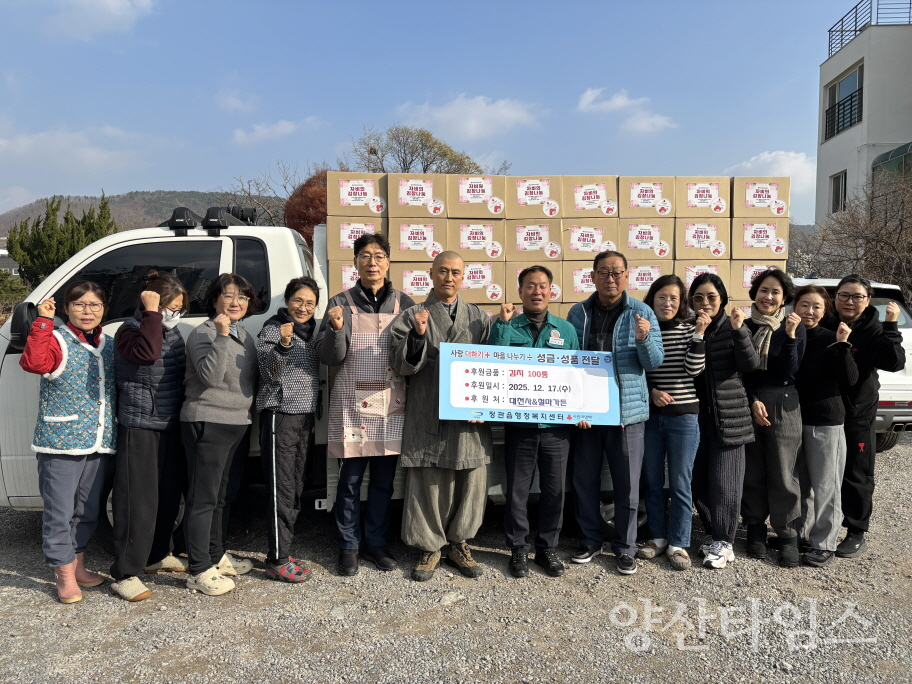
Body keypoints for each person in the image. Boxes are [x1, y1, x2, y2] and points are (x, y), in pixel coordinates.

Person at [389, 251, 493, 582]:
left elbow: (494, 367)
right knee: (428, 479)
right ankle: (428, 546)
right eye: (443, 271)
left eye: (456, 272)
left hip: (468, 414)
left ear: (464, 278)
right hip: (428, 406)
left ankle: (459, 543)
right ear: (431, 275)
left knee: (470, 478)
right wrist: (418, 336)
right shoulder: (412, 314)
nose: (449, 277)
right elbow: (400, 364)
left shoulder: (479, 317)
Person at [315, 233, 415, 577]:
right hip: (352, 404)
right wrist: (335, 329)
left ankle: (376, 543)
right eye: (365, 256)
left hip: (391, 403)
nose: (372, 262)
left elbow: (412, 358)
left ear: (388, 262)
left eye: (379, 256)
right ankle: (348, 545)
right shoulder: (339, 302)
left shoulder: (405, 303)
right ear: (355, 262)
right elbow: (329, 357)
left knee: (384, 482)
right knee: (350, 481)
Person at [566, 250, 664, 576]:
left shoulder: (641, 312)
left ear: (627, 276)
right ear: (592, 276)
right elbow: (568, 362)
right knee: (584, 481)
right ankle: (590, 540)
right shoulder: (578, 312)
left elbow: (653, 362)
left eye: (617, 273)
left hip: (626, 415)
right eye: (604, 273)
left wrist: (644, 338)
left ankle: (625, 547)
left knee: (627, 486)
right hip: (587, 414)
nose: (611, 279)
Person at [19, 281, 116, 603]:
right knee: (59, 512)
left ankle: (78, 565)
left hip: (98, 441)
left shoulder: (109, 344)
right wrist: (43, 322)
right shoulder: (56, 338)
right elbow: (34, 363)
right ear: (67, 307)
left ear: (104, 309)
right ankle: (62, 574)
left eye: (95, 305)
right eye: (80, 305)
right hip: (60, 442)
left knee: (87, 509)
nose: (87, 311)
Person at [487, 265, 579, 578]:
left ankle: (548, 549)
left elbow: (576, 375)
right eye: (530, 286)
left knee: (555, 491)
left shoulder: (565, 330)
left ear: (551, 292)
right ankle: (518, 550)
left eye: (542, 286)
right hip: (520, 427)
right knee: (517, 491)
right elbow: (494, 362)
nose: (536, 291)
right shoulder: (506, 325)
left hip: (557, 429)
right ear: (520, 291)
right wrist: (502, 324)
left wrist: (581, 411)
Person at [109, 272, 190, 602]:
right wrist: (152, 314)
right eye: (171, 307)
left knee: (168, 496)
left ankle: (158, 555)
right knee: (137, 502)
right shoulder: (129, 332)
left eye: (179, 308)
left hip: (170, 423)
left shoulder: (172, 333)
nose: (175, 313)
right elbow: (147, 354)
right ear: (150, 303)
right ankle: (125, 572)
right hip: (140, 425)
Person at [181, 273, 259, 596]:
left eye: (242, 297)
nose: (236, 302)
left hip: (237, 423)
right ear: (214, 299)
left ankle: (215, 555)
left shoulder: (247, 337)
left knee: (223, 495)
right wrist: (222, 336)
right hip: (207, 421)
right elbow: (211, 377)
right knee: (203, 498)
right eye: (228, 296)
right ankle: (198, 569)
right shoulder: (203, 334)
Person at [688, 273, 760, 570]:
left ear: (722, 300)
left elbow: (750, 364)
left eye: (711, 297)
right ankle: (712, 532)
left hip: (728, 417)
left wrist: (740, 331)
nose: (705, 303)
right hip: (696, 417)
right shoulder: (690, 328)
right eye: (698, 298)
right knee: (698, 479)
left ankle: (725, 540)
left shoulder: (733, 328)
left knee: (725, 481)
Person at [830, 275, 904, 558]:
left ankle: (856, 531)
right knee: (820, 471)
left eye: (856, 296)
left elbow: (895, 362)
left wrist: (891, 325)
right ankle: (815, 527)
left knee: (857, 472)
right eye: (844, 295)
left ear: (867, 300)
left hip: (858, 412)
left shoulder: (874, 329)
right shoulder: (827, 322)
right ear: (836, 297)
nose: (849, 301)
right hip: (824, 410)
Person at [639, 275, 707, 571]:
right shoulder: (644, 329)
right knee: (652, 480)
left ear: (682, 303)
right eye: (662, 297)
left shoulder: (689, 328)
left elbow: (694, 370)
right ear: (652, 298)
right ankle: (657, 537)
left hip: (684, 417)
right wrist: (650, 392)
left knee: (680, 482)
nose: (667, 303)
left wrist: (699, 334)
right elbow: (635, 371)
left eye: (674, 299)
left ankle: (679, 542)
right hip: (651, 417)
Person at [257, 276, 322, 582]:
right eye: (298, 300)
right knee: (279, 487)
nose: (303, 307)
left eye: (310, 303)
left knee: (295, 486)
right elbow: (269, 372)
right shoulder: (274, 328)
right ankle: (276, 559)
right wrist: (283, 343)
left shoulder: (310, 333)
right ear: (287, 301)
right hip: (279, 415)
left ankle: (284, 550)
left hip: (304, 417)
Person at [740, 269, 807, 568]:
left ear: (784, 297)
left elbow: (790, 370)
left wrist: (791, 336)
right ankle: (754, 527)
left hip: (784, 400)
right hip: (749, 400)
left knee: (783, 469)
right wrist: (752, 399)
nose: (768, 297)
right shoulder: (742, 325)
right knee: (752, 468)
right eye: (764, 290)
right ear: (755, 292)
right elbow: (741, 369)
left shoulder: (794, 325)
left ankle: (787, 533)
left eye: (775, 292)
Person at [792, 285, 858, 567]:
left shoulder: (833, 338)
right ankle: (803, 535)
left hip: (825, 420)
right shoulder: (789, 335)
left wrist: (843, 345)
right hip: (794, 419)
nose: (809, 311)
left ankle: (825, 544)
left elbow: (850, 379)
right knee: (800, 483)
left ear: (825, 310)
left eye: (816, 306)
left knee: (826, 485)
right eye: (804, 304)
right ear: (794, 306)